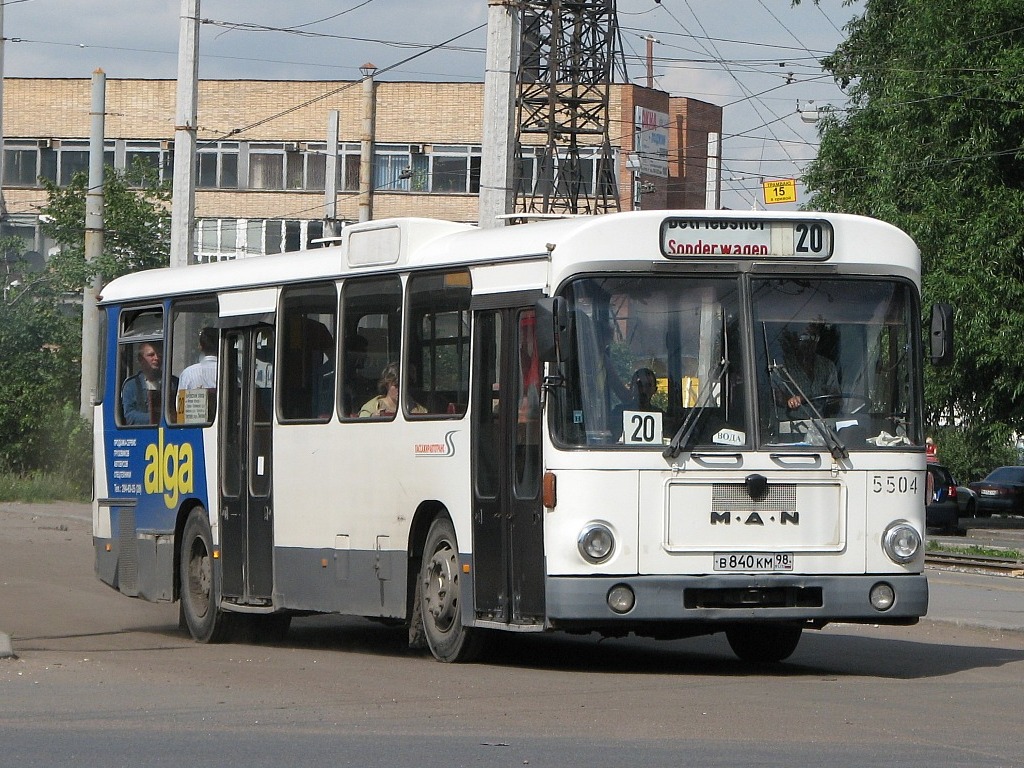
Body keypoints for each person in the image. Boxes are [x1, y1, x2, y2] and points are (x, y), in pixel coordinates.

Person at [776, 323, 840, 417]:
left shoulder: (828, 366)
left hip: (824, 427)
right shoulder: (782, 366)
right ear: (795, 339)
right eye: (804, 337)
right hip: (790, 427)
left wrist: (836, 401)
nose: (809, 342)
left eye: (814, 337)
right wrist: (791, 400)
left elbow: (836, 399)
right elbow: (778, 398)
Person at [122, 341, 177, 425]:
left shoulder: (173, 383)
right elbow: (129, 416)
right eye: (151, 355)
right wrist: (155, 418)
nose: (156, 358)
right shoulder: (131, 385)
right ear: (140, 359)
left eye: (159, 355)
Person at [359, 362, 426, 418]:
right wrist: (372, 418)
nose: (400, 390)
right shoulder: (371, 407)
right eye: (396, 386)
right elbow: (361, 427)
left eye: (404, 386)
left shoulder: (418, 409)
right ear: (386, 385)